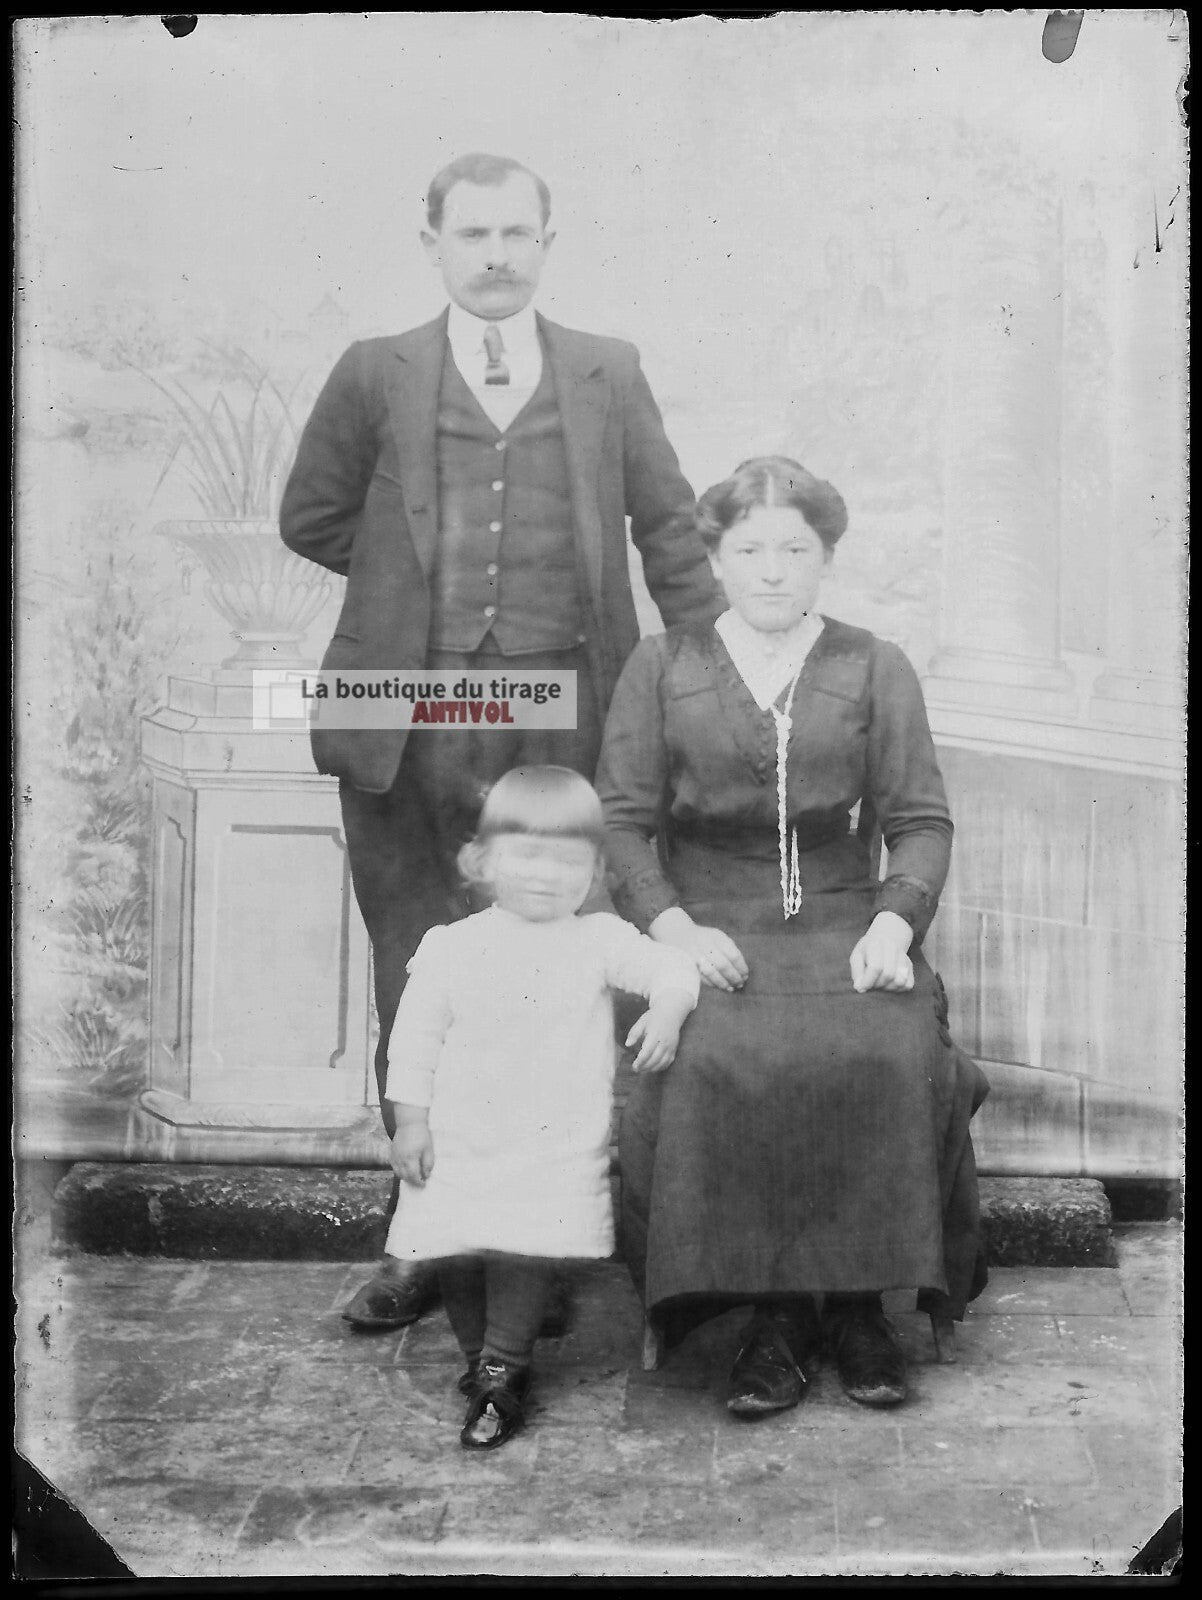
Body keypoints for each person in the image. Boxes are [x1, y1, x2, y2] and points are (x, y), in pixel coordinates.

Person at [279, 152, 720, 1329]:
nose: (493, 254)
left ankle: (544, 1239)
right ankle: (424, 1242)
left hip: (553, 717)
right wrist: (403, 601)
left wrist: (712, 672)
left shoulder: (603, 373)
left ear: (546, 241)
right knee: (417, 976)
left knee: (558, 985)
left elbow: (670, 531)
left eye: (515, 233)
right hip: (400, 723)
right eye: (469, 233)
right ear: (429, 239)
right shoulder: (374, 373)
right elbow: (309, 516)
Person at [596, 456, 989, 1416]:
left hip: (845, 915)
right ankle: (773, 1314)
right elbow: (618, 818)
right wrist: (673, 925)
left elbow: (921, 820)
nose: (772, 570)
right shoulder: (664, 664)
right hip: (707, 922)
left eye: (795, 550)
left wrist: (896, 922)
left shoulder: (871, 663)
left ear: (824, 560)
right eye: (750, 550)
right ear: (718, 560)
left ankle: (859, 1309)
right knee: (713, 1055)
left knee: (887, 1046)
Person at [385, 766, 699, 1448]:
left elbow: (671, 967)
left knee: (526, 1247)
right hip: (460, 1137)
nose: (545, 875)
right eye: (526, 855)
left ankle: (505, 1366)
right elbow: (413, 1041)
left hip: (549, 1141)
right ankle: (478, 1361)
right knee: (457, 1247)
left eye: (568, 862)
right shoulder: (453, 947)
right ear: (485, 860)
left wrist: (669, 1011)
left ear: (592, 872)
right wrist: (411, 1121)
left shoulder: (596, 942)